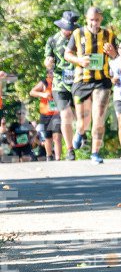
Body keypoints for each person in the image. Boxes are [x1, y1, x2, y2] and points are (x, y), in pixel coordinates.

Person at [65, 6, 117, 164]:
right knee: (83, 120)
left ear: (101, 19)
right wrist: (79, 60)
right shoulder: (77, 33)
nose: (94, 23)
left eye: (97, 20)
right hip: (82, 80)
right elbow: (67, 54)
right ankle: (80, 132)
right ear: (86, 19)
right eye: (91, 20)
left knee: (99, 116)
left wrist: (113, 53)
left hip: (102, 81)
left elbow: (116, 58)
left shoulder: (109, 34)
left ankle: (95, 152)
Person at [45, 11, 79, 160]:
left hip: (78, 80)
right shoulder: (52, 40)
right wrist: (48, 63)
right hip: (60, 82)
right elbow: (47, 59)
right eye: (66, 27)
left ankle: (80, 134)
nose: (69, 31)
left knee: (82, 115)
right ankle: (70, 149)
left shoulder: (80, 37)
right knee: (66, 114)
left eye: (71, 28)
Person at [29, 55, 64, 160]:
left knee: (57, 137)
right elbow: (32, 92)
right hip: (45, 114)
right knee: (48, 137)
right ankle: (49, 156)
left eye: (53, 72)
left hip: (57, 114)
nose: (51, 74)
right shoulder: (44, 83)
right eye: (50, 72)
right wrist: (43, 95)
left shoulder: (61, 82)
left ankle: (58, 158)